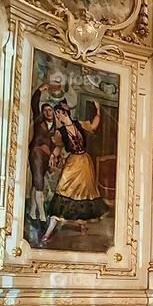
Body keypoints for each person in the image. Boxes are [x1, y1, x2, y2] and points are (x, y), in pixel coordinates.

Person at [39, 101, 109, 246]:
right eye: (56, 114)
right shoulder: (60, 132)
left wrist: (98, 111)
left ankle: (83, 224)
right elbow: (58, 147)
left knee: (84, 193)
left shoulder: (79, 124)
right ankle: (49, 231)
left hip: (84, 163)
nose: (57, 116)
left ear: (64, 113)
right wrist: (53, 155)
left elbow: (94, 125)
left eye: (58, 113)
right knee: (62, 190)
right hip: (72, 163)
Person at [28, 102, 59, 223]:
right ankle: (42, 215)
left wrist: (53, 155)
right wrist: (40, 90)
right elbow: (34, 104)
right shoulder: (39, 123)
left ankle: (32, 212)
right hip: (36, 154)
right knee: (39, 181)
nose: (48, 112)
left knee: (37, 183)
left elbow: (57, 144)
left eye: (50, 110)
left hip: (47, 157)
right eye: (45, 110)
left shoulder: (55, 128)